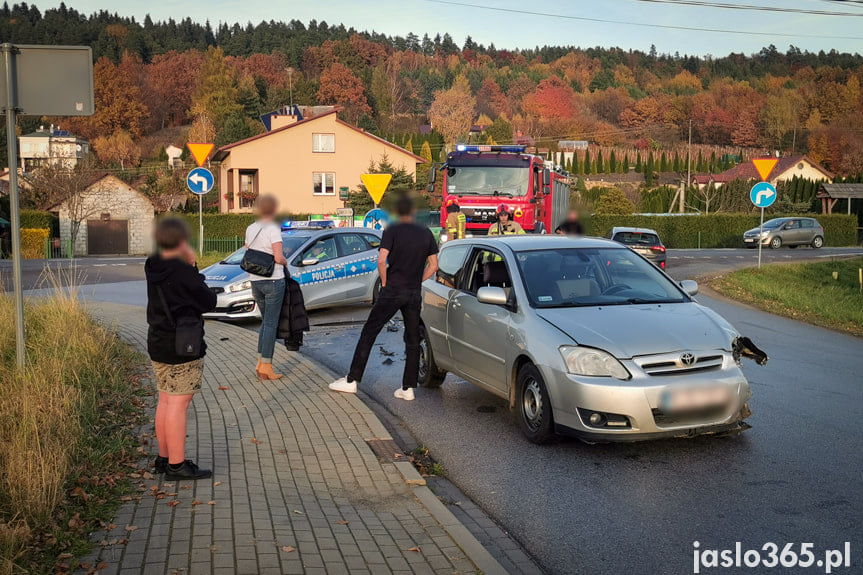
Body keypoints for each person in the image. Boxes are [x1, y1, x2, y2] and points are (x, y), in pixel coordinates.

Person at [329, 195, 439, 401]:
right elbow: (434, 265)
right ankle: (408, 388)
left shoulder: (392, 230)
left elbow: (381, 260)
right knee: (413, 339)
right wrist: (418, 280)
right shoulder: (426, 233)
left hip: (393, 290)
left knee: (370, 332)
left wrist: (386, 282)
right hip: (413, 292)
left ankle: (352, 380)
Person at [145, 218, 217, 480]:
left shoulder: (153, 263)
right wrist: (193, 265)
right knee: (178, 403)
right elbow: (208, 300)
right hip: (182, 345)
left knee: (165, 400)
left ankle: (164, 458)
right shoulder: (181, 270)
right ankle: (177, 465)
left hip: (158, 341)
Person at [245, 194, 289, 380]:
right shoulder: (273, 229)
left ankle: (260, 364)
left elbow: (248, 251)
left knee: (265, 322)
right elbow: (278, 257)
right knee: (271, 323)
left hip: (256, 280)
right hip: (273, 280)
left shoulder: (250, 228)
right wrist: (287, 264)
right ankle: (267, 366)